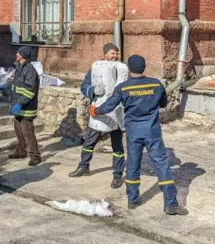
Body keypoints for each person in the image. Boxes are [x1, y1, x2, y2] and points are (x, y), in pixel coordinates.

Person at [91, 55, 188, 216]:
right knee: (162, 166)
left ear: (129, 69)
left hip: (133, 133)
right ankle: (171, 203)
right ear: (144, 67)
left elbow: (108, 106)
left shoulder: (123, 88)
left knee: (133, 165)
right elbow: (163, 103)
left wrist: (96, 111)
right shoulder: (156, 84)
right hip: (152, 131)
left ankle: (132, 200)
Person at [69, 43, 129, 188]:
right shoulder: (95, 69)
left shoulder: (122, 70)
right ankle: (84, 166)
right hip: (98, 111)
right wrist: (93, 90)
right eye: (111, 53)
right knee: (89, 141)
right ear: (105, 55)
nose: (114, 56)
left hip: (116, 112)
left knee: (117, 146)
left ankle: (117, 175)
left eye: (116, 53)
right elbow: (85, 86)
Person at [9, 46, 41, 166]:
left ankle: (35, 156)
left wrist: (20, 103)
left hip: (26, 108)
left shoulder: (30, 70)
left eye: (18, 53)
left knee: (28, 133)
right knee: (19, 132)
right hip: (17, 107)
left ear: (23, 55)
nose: (16, 54)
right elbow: (16, 88)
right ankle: (21, 151)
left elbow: (29, 90)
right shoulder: (19, 67)